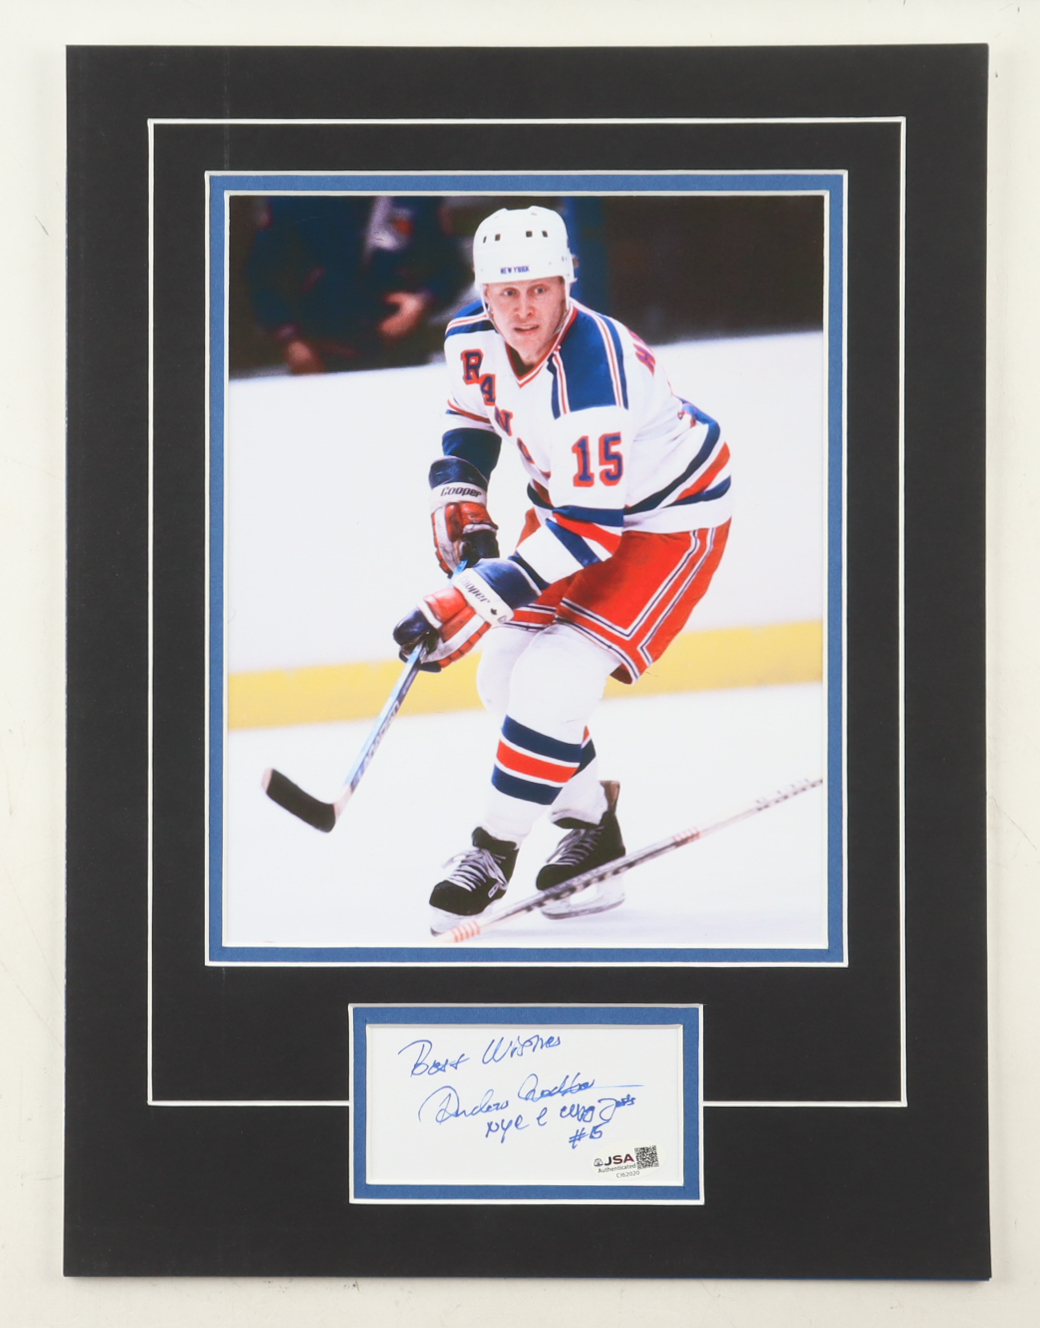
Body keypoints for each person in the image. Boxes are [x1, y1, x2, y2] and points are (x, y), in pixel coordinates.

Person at [393, 206, 732, 933]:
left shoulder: (591, 373)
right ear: (483, 293)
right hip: (574, 510)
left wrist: (465, 597)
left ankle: (490, 852)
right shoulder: (471, 336)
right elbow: (472, 417)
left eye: (539, 291)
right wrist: (461, 492)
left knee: (553, 677)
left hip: (667, 520)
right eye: (506, 293)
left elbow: (590, 533)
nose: (523, 310)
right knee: (501, 677)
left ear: (567, 284)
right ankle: (593, 833)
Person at [244, 195, 469, 372]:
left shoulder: (415, 198)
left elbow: (451, 269)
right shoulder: (292, 200)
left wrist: (423, 302)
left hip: (401, 354)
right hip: (320, 357)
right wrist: (290, 340)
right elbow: (262, 279)